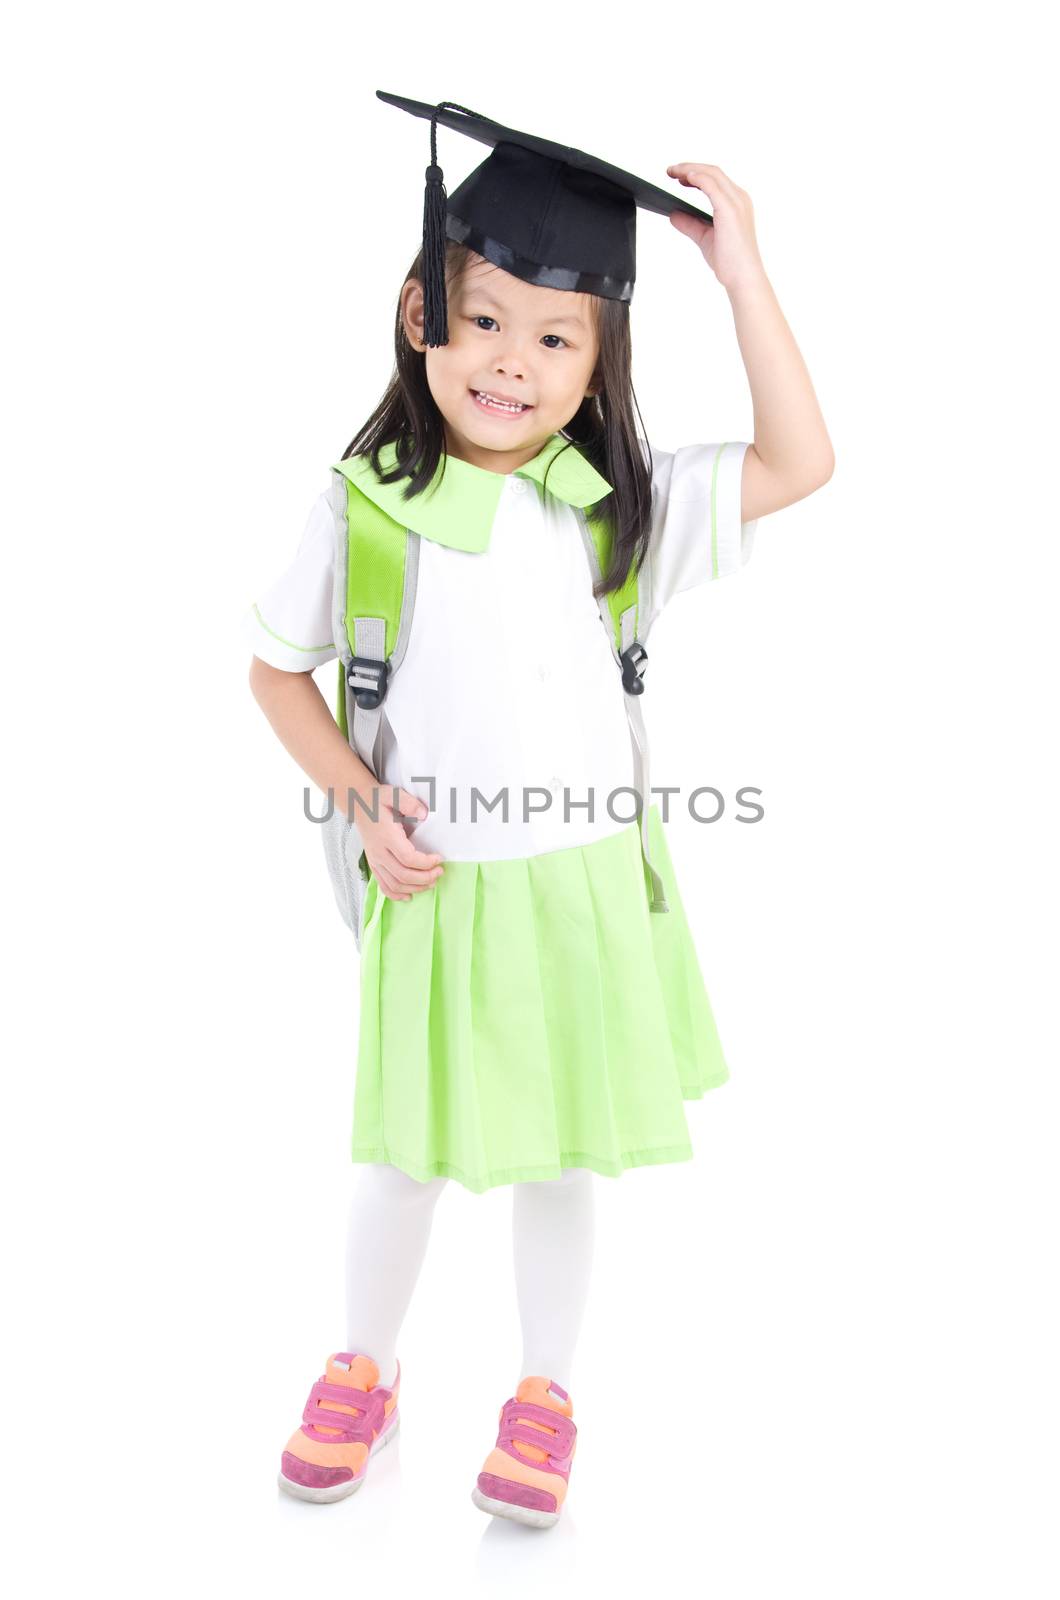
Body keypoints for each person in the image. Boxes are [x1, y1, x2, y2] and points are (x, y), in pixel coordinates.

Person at [240, 94, 834, 1526]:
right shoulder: (366, 505)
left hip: (576, 883)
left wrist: (743, 271)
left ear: (598, 361)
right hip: (436, 887)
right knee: (401, 1160)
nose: (515, 360)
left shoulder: (618, 509)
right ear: (420, 312)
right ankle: (363, 1367)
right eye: (487, 318)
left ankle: (543, 1390)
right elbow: (277, 676)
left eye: (558, 336)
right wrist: (367, 802)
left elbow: (800, 462)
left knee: (561, 1162)